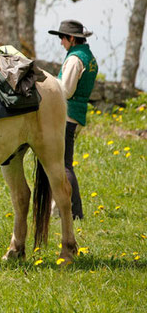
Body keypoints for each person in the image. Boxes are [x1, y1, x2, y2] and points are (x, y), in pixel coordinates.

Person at [48, 19, 98, 220]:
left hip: (68, 116)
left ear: (71, 38)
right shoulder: (88, 57)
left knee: (63, 165)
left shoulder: (75, 59)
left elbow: (66, 91)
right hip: (77, 115)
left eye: (62, 37)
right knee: (64, 163)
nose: (61, 42)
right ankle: (64, 210)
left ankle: (75, 212)